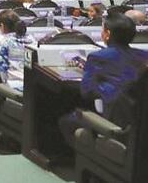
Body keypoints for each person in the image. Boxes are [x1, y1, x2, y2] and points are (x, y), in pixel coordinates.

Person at [59, 14, 148, 147]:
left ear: (107, 34)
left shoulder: (98, 57)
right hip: (141, 126)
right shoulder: (144, 57)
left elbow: (87, 92)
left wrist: (99, 83)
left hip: (117, 126)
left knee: (66, 121)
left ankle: (91, 161)